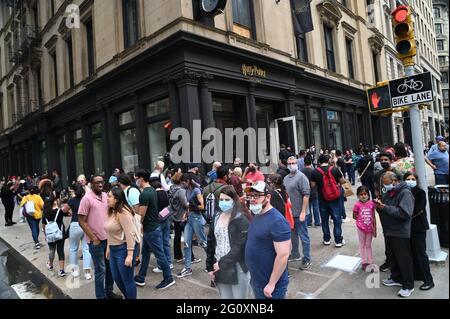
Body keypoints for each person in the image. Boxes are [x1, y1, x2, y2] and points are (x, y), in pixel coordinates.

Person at [244, 182, 291, 299]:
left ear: (268, 197)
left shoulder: (277, 221)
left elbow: (283, 255)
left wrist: (271, 284)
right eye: (250, 196)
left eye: (257, 196)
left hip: (271, 286)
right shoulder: (257, 214)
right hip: (257, 280)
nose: (253, 199)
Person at [78, 175, 122, 299]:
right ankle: (101, 297)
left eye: (102, 182)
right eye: (97, 182)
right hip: (96, 241)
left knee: (110, 268)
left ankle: (109, 292)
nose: (100, 184)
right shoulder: (86, 199)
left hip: (109, 239)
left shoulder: (106, 196)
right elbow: (81, 221)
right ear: (91, 184)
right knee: (100, 270)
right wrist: (93, 238)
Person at [206, 186, 251, 299]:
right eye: (221, 200)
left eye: (227, 200)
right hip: (219, 267)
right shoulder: (216, 217)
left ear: (234, 201)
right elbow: (211, 243)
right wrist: (210, 267)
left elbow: (239, 247)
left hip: (237, 267)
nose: (223, 202)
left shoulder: (240, 219)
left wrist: (221, 263)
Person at [375, 172, 415, 298]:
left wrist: (385, 207)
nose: (385, 186)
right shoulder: (390, 192)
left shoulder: (405, 193)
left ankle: (408, 285)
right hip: (389, 230)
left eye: (386, 183)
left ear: (394, 181)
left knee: (404, 259)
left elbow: (404, 213)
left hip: (400, 231)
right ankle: (396, 277)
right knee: (393, 257)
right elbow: (385, 205)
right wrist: (379, 205)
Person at [134, 169, 175, 289]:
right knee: (145, 254)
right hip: (151, 228)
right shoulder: (152, 190)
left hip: (151, 229)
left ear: (141, 178)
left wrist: (135, 226)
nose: (136, 181)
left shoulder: (144, 194)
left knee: (159, 254)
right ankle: (141, 277)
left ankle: (168, 278)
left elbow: (141, 215)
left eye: (137, 178)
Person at [104, 187, 139, 299]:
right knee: (117, 278)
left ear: (117, 199)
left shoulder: (123, 213)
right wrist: (108, 247)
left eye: (109, 196)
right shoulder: (112, 210)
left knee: (127, 280)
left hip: (123, 250)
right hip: (114, 250)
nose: (107, 198)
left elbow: (130, 234)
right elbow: (109, 232)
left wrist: (130, 255)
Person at [404, 172, 434, 291]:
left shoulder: (420, 192)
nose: (410, 181)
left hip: (418, 228)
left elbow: (418, 209)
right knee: (412, 253)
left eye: (412, 179)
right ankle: (418, 274)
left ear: (416, 181)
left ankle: (428, 280)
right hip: (407, 228)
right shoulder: (404, 192)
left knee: (421, 254)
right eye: (407, 179)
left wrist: (403, 213)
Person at [311, 154, 347, 247]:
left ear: (319, 162)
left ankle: (326, 239)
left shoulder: (315, 172)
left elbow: (312, 185)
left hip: (322, 199)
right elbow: (342, 181)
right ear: (328, 160)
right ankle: (338, 240)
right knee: (337, 219)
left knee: (324, 219)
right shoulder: (334, 169)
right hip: (335, 198)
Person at [283, 156, 311, 270]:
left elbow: (306, 195)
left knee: (303, 236)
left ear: (297, 163)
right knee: (293, 236)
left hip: (300, 213)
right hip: (290, 213)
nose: (291, 165)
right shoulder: (286, 178)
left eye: (293, 163)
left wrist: (303, 212)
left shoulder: (301, 177)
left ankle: (307, 259)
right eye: (289, 163)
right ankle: (295, 254)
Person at [177, 174, 207, 278]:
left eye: (183, 182)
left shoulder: (196, 190)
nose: (182, 184)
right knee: (186, 243)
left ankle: (212, 261)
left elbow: (202, 206)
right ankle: (187, 268)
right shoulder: (187, 190)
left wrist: (191, 206)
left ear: (188, 181)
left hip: (197, 219)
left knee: (203, 242)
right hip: (189, 219)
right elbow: (188, 205)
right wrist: (185, 213)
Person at [65, 183, 92, 280]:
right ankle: (87, 272)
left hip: (75, 224)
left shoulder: (72, 200)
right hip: (85, 224)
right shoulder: (86, 199)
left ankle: (74, 271)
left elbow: (64, 210)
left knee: (73, 249)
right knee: (86, 249)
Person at [168, 172, 195, 263]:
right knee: (187, 237)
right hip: (182, 216)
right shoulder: (181, 190)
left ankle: (178, 256)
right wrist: (193, 205)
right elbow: (185, 203)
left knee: (177, 236)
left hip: (175, 215)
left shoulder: (172, 188)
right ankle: (191, 257)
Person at [43, 195, 70, 277]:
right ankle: (61, 270)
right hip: (60, 234)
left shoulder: (45, 213)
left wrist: (45, 235)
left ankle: (50, 265)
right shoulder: (59, 211)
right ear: (53, 202)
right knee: (60, 250)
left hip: (50, 234)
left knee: (52, 249)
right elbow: (69, 214)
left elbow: (43, 225)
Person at [150, 179, 173, 273]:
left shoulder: (154, 195)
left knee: (158, 245)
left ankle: (161, 265)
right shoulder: (165, 193)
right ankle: (169, 262)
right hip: (166, 219)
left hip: (157, 221)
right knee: (166, 242)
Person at [352, 186, 377, 272]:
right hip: (360, 228)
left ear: (368, 195)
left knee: (368, 245)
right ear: (358, 196)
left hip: (370, 228)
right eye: (361, 194)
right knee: (362, 245)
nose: (363, 196)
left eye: (365, 194)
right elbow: (354, 216)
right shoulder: (357, 204)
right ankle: (364, 262)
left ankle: (370, 262)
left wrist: (375, 229)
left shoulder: (372, 204)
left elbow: (373, 217)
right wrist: (361, 222)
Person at [302, 157, 321, 227]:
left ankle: (309, 222)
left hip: (305, 192)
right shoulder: (315, 170)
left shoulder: (301, 171)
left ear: (304, 163)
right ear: (311, 163)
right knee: (316, 207)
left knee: (308, 207)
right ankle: (317, 222)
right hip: (314, 191)